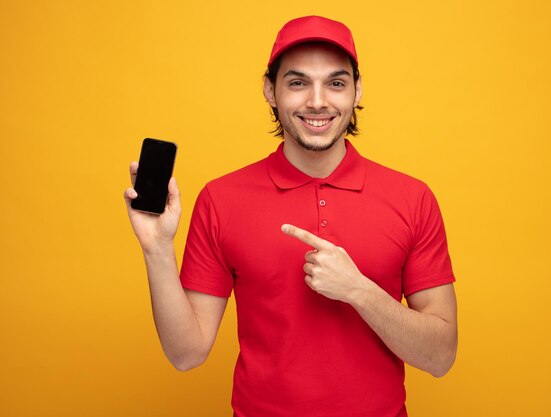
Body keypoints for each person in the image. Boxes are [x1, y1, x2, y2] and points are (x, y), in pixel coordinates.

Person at [125, 15, 457, 417]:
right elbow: (186, 354)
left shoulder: (412, 198)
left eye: (335, 83)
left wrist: (360, 291)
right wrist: (157, 250)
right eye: (298, 83)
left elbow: (440, 357)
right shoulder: (221, 199)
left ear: (357, 90)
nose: (317, 101)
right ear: (270, 90)